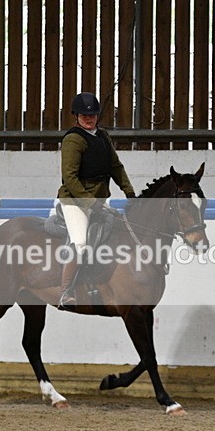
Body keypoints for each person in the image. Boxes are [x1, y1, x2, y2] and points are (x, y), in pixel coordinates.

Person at [57, 92, 136, 309]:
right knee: (81, 243)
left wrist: (129, 192)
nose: (89, 118)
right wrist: (91, 204)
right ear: (76, 116)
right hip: (75, 202)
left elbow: (115, 166)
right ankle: (65, 291)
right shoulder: (73, 140)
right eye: (84, 115)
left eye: (92, 115)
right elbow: (70, 178)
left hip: (99, 201)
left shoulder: (103, 136)